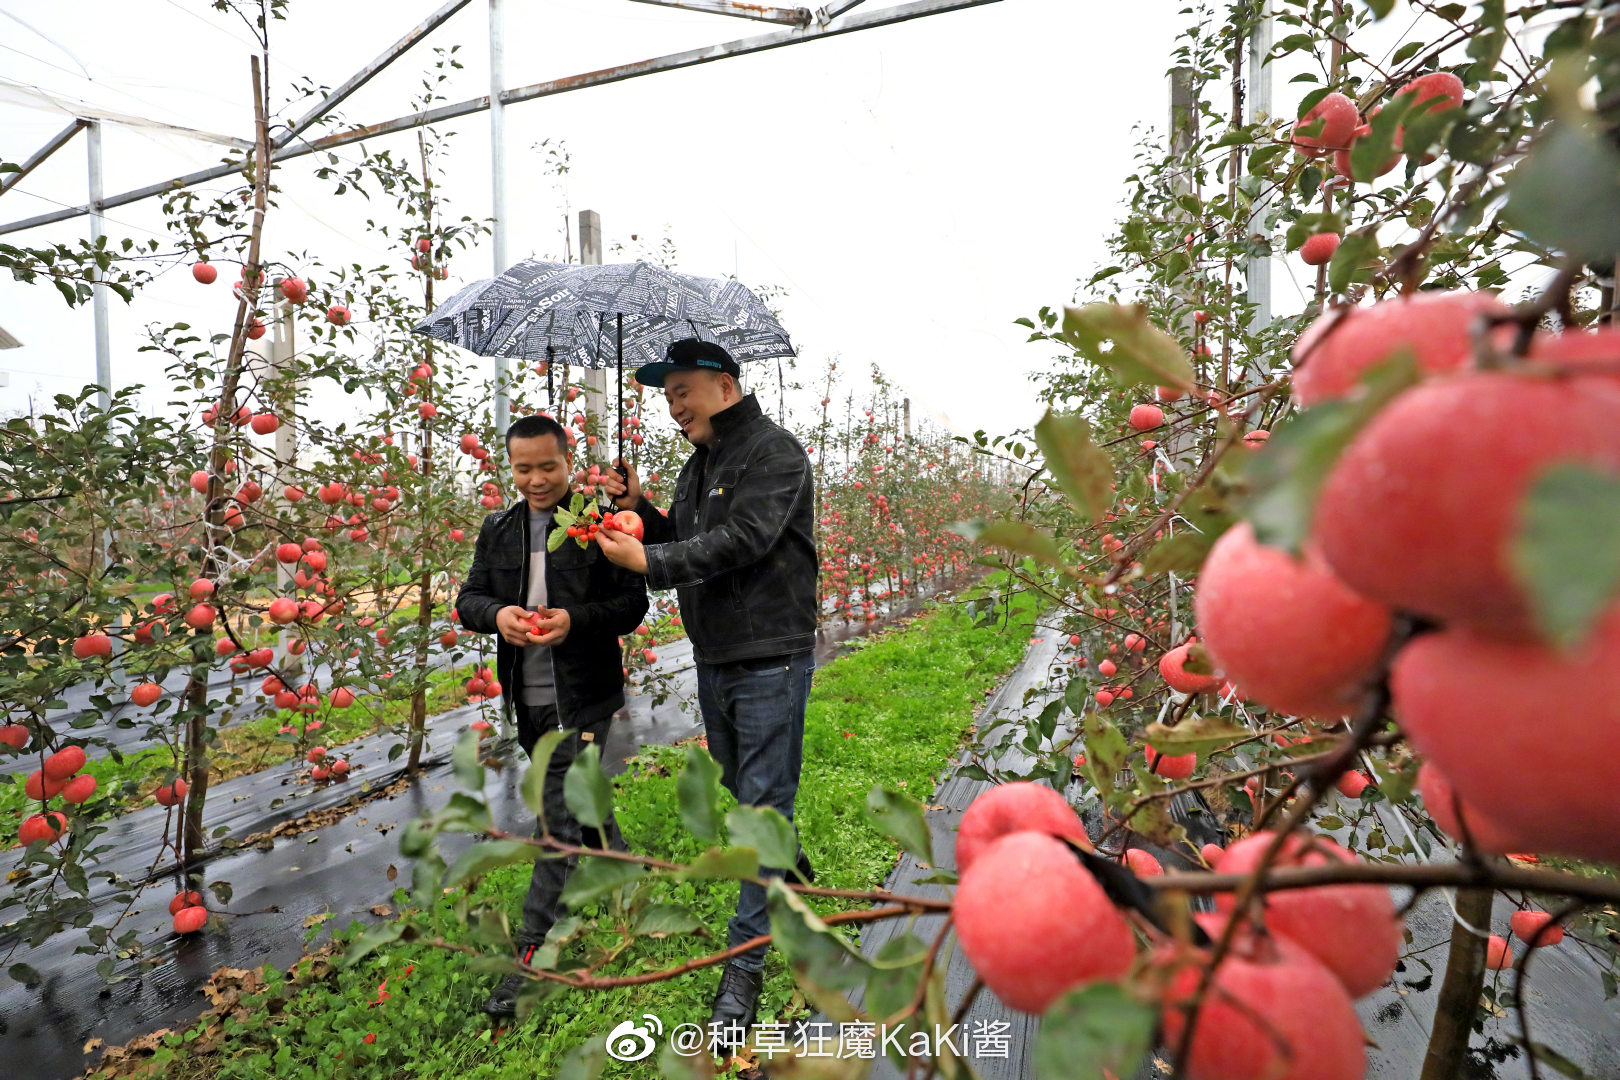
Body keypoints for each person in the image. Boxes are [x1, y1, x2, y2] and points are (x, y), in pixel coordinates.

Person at [595, 337, 819, 1044]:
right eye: (666, 396)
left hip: (770, 654)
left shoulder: (774, 453)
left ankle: (744, 964)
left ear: (724, 385)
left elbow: (744, 539)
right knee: (741, 783)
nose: (673, 407)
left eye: (681, 392)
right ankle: (791, 868)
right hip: (717, 651)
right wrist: (643, 511)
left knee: (759, 805)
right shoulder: (700, 466)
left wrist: (650, 559)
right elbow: (691, 534)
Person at [455, 412, 649, 1018]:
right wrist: (498, 617)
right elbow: (469, 598)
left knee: (555, 826)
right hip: (527, 695)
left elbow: (630, 604)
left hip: (582, 692)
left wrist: (574, 621)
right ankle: (629, 868)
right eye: (523, 468)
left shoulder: (594, 527)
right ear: (508, 467)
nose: (536, 480)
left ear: (569, 463)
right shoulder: (499, 527)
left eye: (548, 466)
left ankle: (529, 959)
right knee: (573, 798)